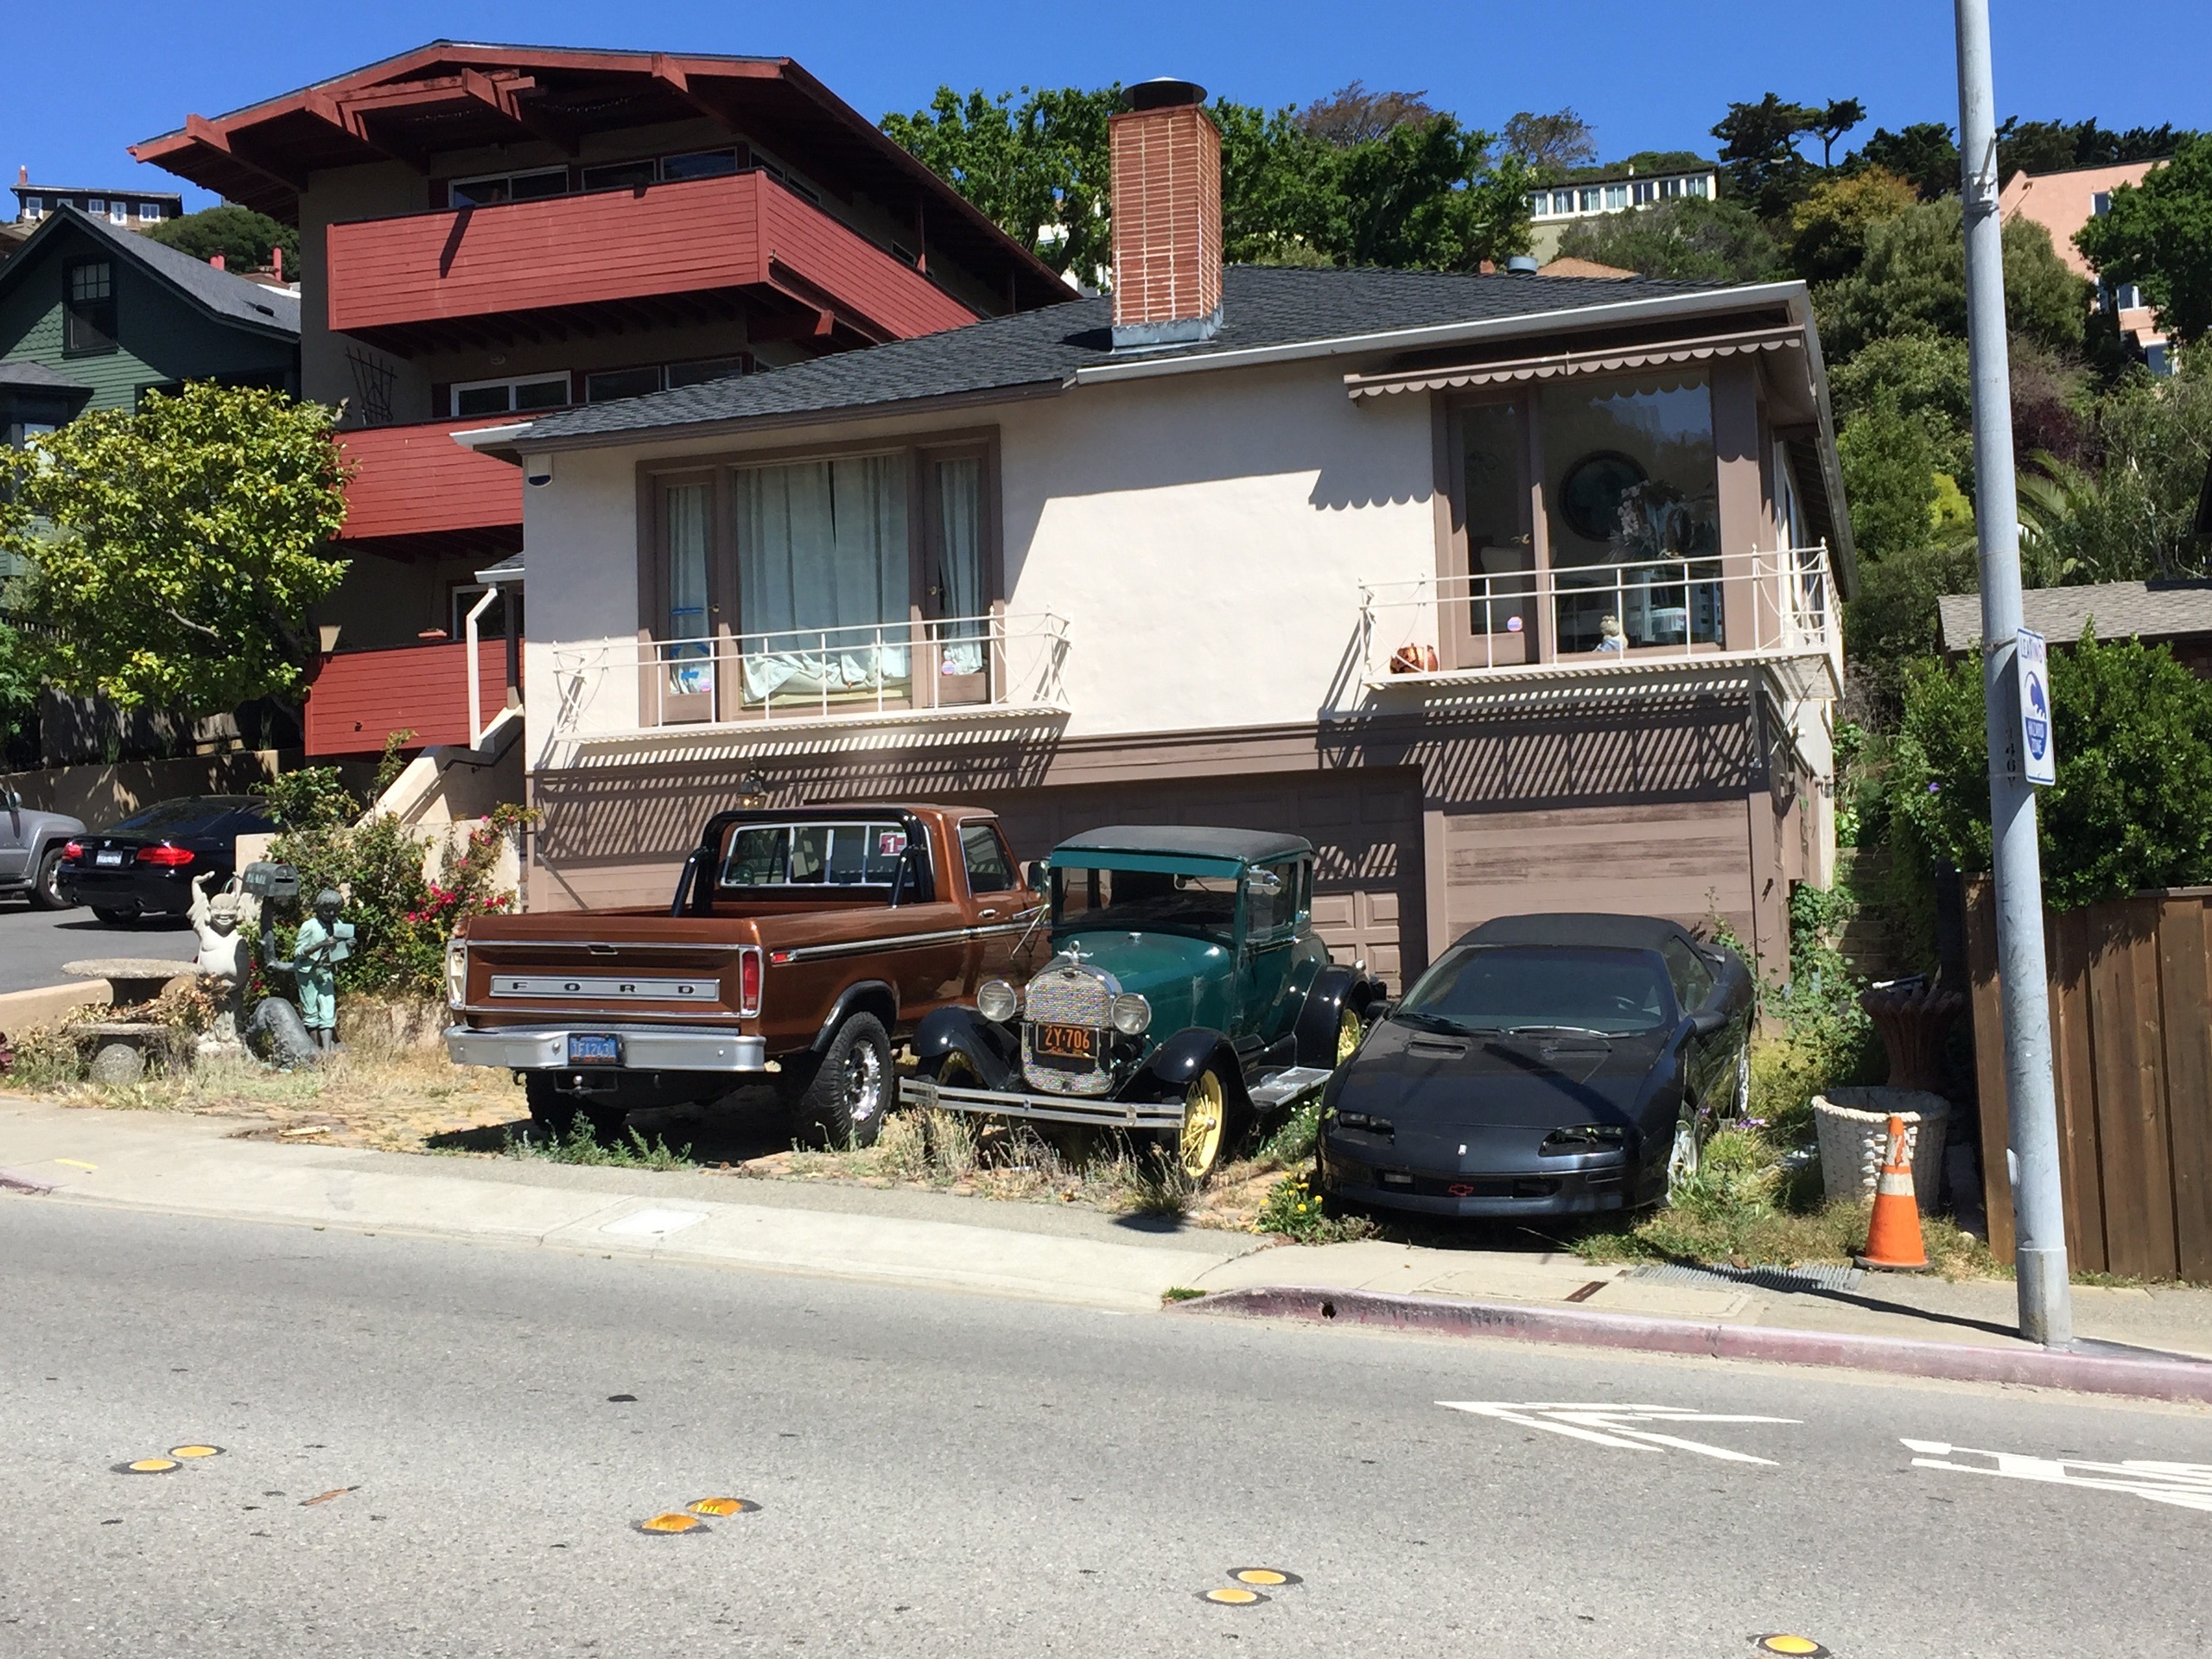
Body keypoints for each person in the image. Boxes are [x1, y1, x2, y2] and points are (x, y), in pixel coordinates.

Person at [188, 873, 258, 1052]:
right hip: (210, 987)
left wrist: (246, 886)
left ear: (237, 913)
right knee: (210, 1013)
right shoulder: (205, 929)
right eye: (218, 913)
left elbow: (247, 902)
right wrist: (196, 883)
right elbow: (199, 904)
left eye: (230, 913)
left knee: (235, 1014)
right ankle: (209, 1034)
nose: (224, 917)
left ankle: (235, 1035)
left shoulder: (242, 929)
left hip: (236, 987)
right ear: (210, 913)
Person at [290, 889, 355, 1052]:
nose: (331, 914)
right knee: (311, 1010)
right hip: (308, 971)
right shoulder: (310, 926)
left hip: (326, 971)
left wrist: (348, 946)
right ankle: (315, 1048)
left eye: (335, 911)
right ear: (318, 909)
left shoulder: (339, 925)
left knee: (327, 1009)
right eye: (327, 910)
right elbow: (299, 952)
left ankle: (327, 1051)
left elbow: (340, 953)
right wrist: (321, 944)